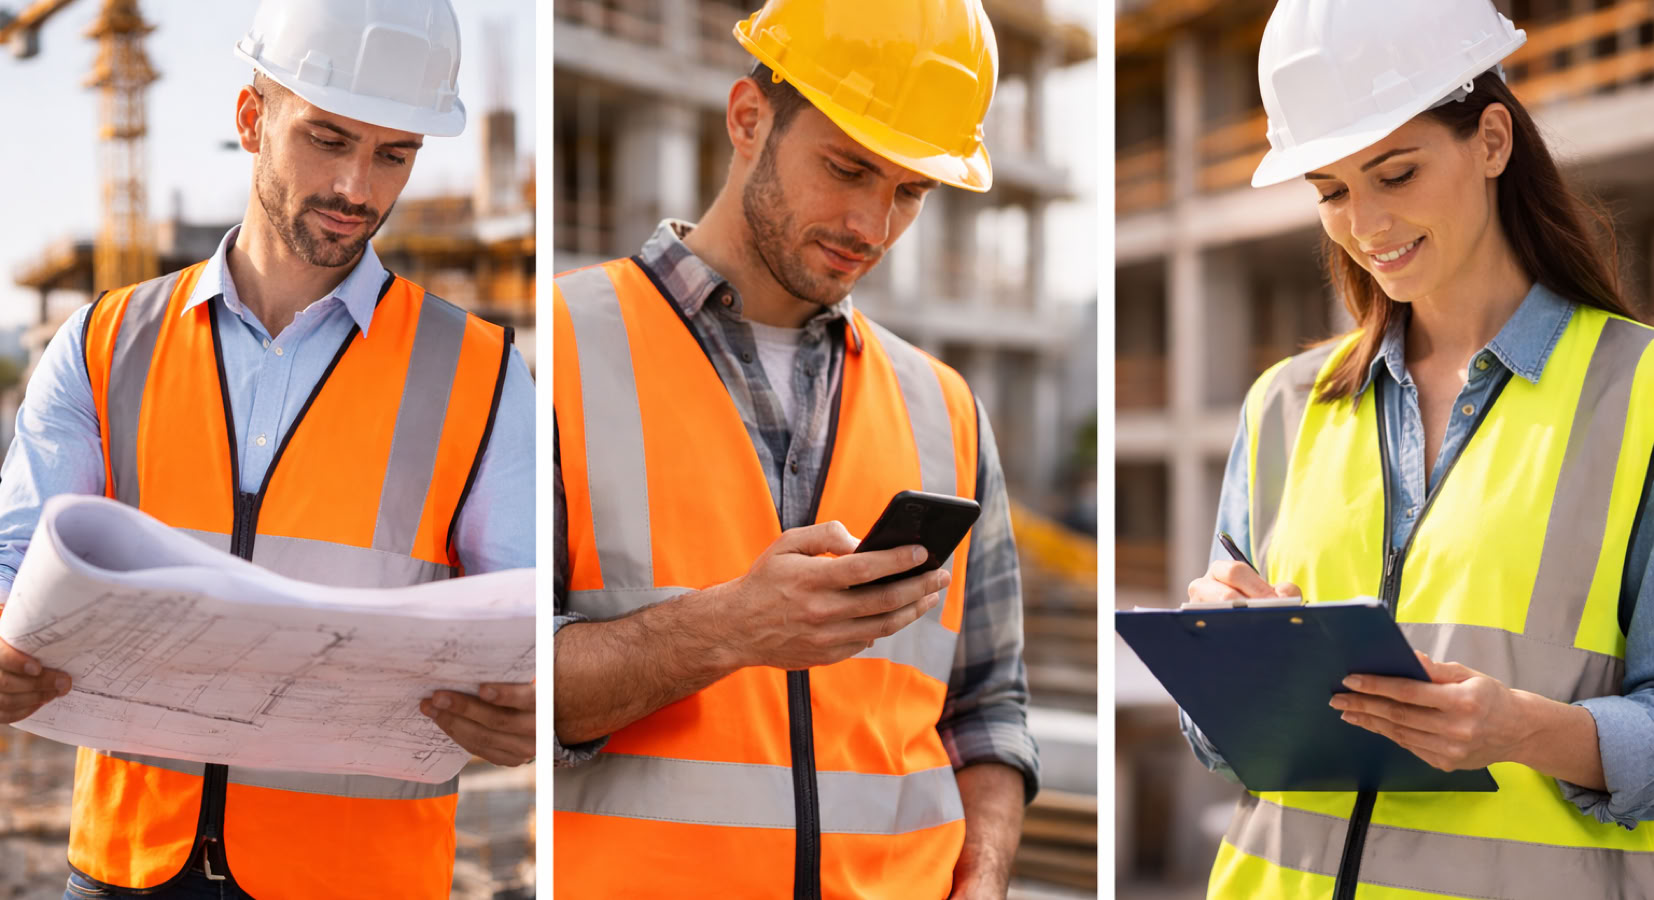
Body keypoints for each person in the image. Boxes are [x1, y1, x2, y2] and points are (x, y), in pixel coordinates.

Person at [0, 1, 535, 897]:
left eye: (394, 154)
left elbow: (521, 616)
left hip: (358, 875)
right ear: (252, 119)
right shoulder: (104, 344)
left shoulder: (482, 373)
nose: (359, 189)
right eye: (328, 139)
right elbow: (15, 556)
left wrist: (532, 706)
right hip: (127, 859)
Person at [550, 0, 1038, 896]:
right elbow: (503, 682)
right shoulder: (556, 353)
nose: (873, 226)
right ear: (748, 119)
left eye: (909, 191)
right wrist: (727, 630)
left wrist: (989, 865)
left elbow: (989, 707)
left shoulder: (947, 408)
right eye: (848, 168)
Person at [1181, 0, 1654, 896]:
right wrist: (1225, 658)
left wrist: (1525, 730)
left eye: (1394, 174)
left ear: (1491, 140)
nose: (1365, 226)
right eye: (1330, 190)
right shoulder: (1284, 404)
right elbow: (1220, 745)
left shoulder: (1640, 396)